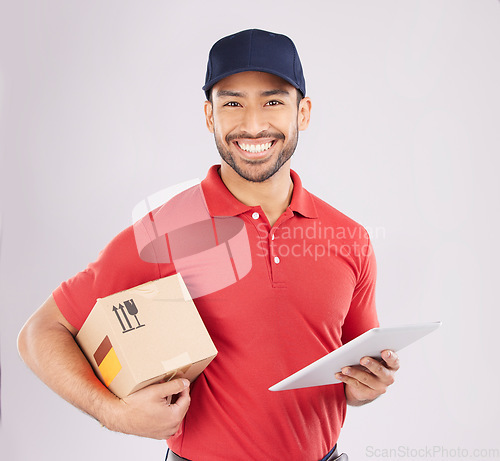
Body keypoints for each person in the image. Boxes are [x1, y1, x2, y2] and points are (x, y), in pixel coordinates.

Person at [18, 29, 400, 461]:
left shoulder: (349, 237)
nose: (253, 124)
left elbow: (355, 375)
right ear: (208, 116)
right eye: (233, 103)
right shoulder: (163, 233)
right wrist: (116, 415)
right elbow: (39, 333)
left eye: (273, 101)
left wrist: (368, 388)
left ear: (304, 112)